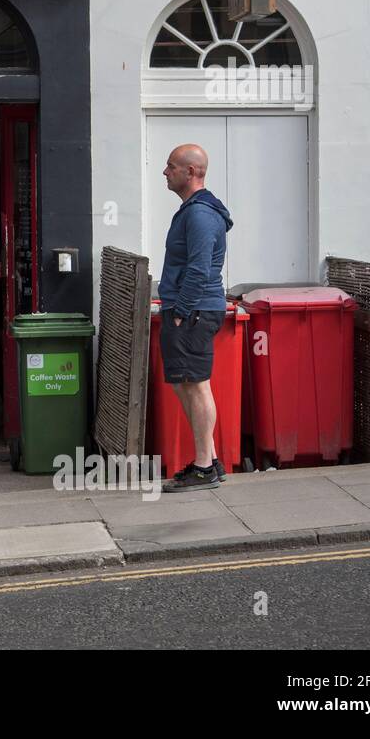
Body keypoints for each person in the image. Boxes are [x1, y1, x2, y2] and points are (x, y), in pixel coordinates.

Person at [158, 145, 233, 492]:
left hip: (195, 310)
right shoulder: (193, 211)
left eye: (171, 166)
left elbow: (199, 268)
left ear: (191, 172)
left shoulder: (200, 215)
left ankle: (204, 465)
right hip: (189, 309)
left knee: (196, 384)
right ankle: (210, 459)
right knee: (182, 382)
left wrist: (182, 311)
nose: (165, 172)